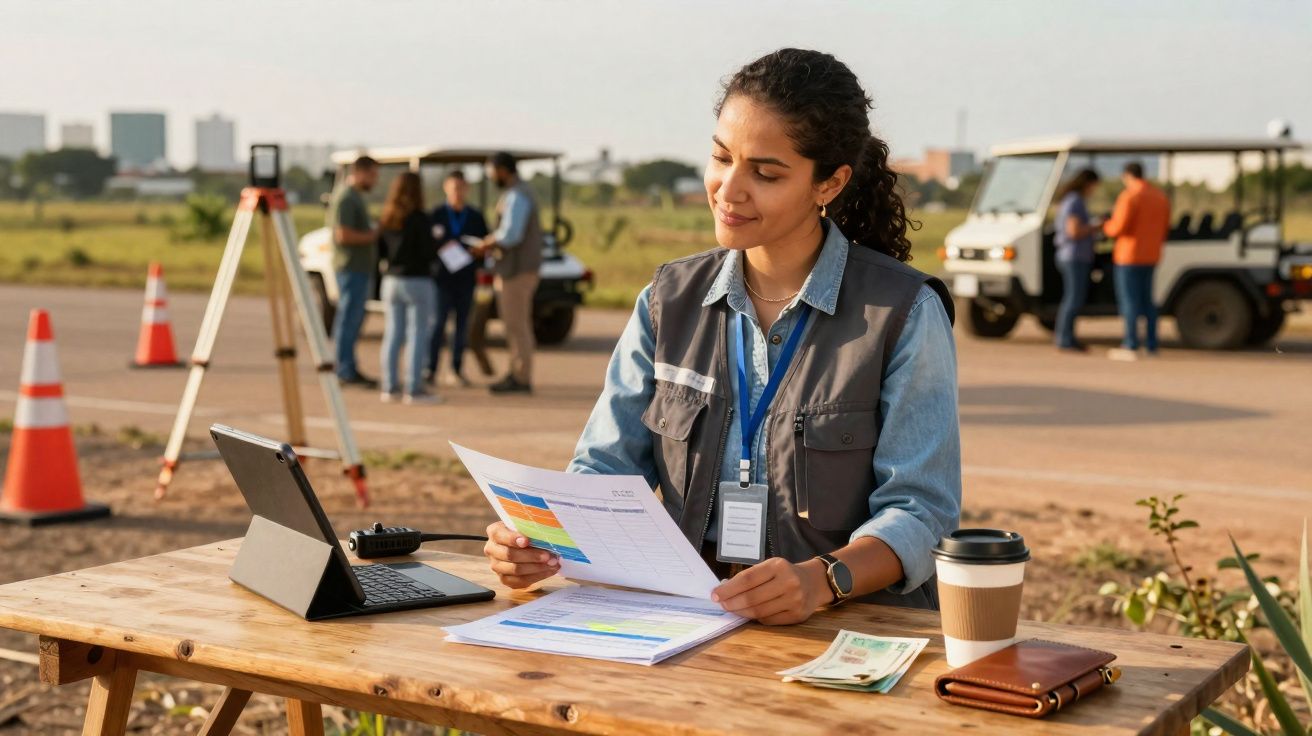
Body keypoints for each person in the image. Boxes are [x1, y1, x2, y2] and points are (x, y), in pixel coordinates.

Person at [481, 49, 961, 624]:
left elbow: (920, 509)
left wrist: (823, 580)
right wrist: (541, 543)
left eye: (766, 173)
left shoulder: (904, 312)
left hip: (849, 628)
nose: (728, 190)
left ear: (828, 183)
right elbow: (604, 472)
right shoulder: (667, 301)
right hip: (693, 617)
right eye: (720, 157)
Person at [476, 152, 543, 395]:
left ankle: (521, 377)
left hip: (516, 271)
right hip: (515, 269)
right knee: (514, 325)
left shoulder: (517, 195)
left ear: (503, 170)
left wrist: (487, 243)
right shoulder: (517, 192)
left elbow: (510, 235)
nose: (491, 176)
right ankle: (516, 373)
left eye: (491, 171)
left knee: (517, 326)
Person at [376, 172, 441, 404]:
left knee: (393, 334)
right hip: (417, 281)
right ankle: (413, 389)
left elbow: (381, 251)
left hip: (392, 281)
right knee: (417, 334)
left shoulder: (388, 217)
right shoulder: (421, 219)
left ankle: (389, 387)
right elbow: (428, 252)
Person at [1103, 161, 1170, 360]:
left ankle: (1131, 343)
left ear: (1127, 175)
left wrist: (1105, 226)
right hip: (1151, 255)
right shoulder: (1160, 197)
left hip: (1129, 256)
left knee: (1130, 301)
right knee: (1148, 302)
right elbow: (1166, 226)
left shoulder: (1130, 196)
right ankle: (1151, 344)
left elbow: (1118, 228)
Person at [427, 170, 489, 388]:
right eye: (454, 188)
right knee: (437, 323)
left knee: (461, 325)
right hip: (441, 278)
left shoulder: (475, 216)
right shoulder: (436, 214)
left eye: (461, 188)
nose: (458, 192)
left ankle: (456, 368)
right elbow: (427, 245)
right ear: (446, 188)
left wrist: (479, 254)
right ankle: (431, 368)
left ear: (467, 189)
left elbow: (485, 245)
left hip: (466, 278)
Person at [328, 155, 380, 388]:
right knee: (348, 320)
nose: (375, 180)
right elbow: (343, 235)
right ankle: (344, 369)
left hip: (358, 268)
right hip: (350, 268)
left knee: (354, 319)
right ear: (360, 172)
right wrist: (372, 236)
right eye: (372, 175)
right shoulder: (346, 197)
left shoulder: (355, 196)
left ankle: (348, 366)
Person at [1052, 168, 1102, 352]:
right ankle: (1064, 339)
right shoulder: (1075, 201)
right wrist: (1095, 226)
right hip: (1074, 256)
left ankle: (1067, 337)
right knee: (1073, 299)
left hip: (1071, 255)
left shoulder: (1069, 200)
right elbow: (1074, 231)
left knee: (1072, 298)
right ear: (1088, 183)